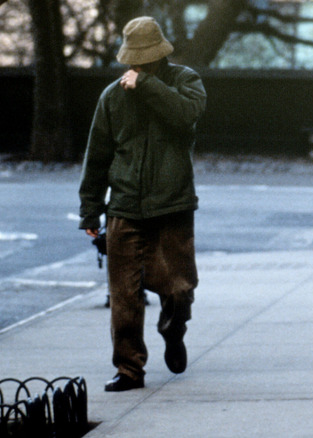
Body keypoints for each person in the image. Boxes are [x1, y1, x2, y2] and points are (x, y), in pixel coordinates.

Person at [78, 16, 207, 392]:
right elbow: (97, 157)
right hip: (124, 207)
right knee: (124, 296)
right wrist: (90, 209)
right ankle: (129, 369)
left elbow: (185, 117)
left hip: (172, 206)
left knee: (180, 289)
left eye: (144, 61)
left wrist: (148, 85)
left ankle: (173, 328)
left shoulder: (185, 81)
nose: (136, 67)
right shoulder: (112, 97)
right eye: (134, 61)